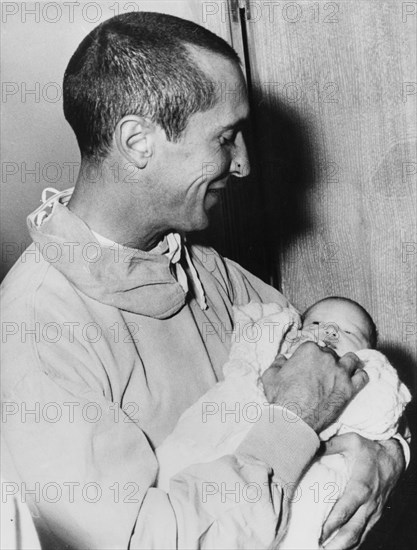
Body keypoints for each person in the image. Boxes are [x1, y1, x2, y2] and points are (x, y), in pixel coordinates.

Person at [0, 11, 408, 550]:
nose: (241, 165)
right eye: (226, 137)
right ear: (138, 142)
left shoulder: (205, 270)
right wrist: (292, 427)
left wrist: (385, 456)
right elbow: (141, 542)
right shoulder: (35, 334)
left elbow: (347, 371)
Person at [155, 297, 412, 548]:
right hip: (218, 479)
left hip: (310, 482)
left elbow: (385, 409)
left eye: (349, 332)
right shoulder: (273, 352)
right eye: (315, 323)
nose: (330, 331)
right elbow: (247, 359)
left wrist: (394, 450)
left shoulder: (366, 376)